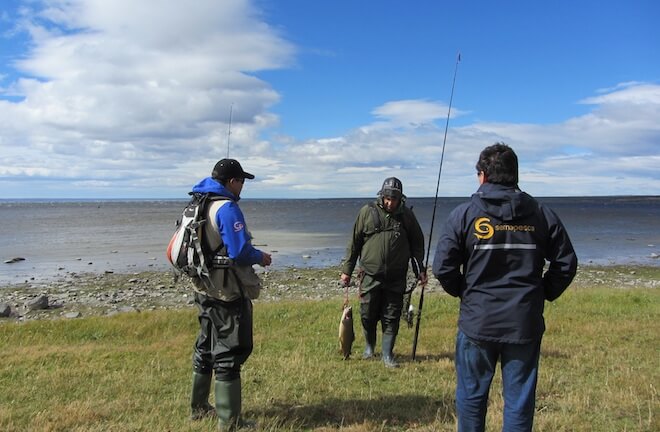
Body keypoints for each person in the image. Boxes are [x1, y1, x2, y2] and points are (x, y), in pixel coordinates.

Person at [432, 143, 577, 432]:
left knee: (475, 398)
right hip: (514, 321)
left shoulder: (466, 214)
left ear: (482, 176)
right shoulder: (539, 214)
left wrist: (544, 292)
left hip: (484, 320)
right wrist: (469, 292)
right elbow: (566, 263)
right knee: (517, 403)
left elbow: (443, 268)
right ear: (515, 175)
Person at [188, 158, 272, 431]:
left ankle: (199, 409)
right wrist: (262, 256)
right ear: (232, 182)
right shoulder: (227, 208)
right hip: (226, 291)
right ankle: (230, 422)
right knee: (230, 352)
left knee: (205, 345)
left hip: (203, 285)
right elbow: (239, 253)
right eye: (241, 181)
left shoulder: (199, 203)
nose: (242, 187)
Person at [341, 177, 428, 368]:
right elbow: (354, 243)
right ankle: (369, 348)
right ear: (382, 195)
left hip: (396, 278)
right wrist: (347, 270)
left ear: (400, 199)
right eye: (387, 198)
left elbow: (417, 246)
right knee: (367, 314)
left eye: (394, 199)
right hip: (369, 275)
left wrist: (420, 269)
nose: (390, 202)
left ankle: (387, 355)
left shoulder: (407, 216)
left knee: (392, 315)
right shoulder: (367, 212)